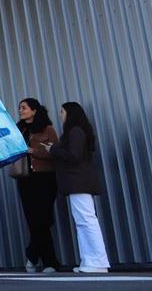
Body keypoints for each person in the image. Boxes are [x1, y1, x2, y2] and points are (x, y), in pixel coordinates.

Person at [48, 102, 110, 274]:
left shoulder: (75, 131)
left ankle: (97, 261)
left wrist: (53, 150)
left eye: (62, 111)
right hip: (77, 182)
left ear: (70, 113)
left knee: (86, 221)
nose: (60, 115)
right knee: (84, 222)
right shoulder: (78, 131)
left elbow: (73, 155)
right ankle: (90, 260)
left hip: (78, 182)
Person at [15, 99, 62, 273]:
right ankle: (49, 262)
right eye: (19, 108)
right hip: (25, 178)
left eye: (24, 108)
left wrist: (33, 151)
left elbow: (56, 151)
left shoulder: (47, 129)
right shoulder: (18, 129)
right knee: (33, 220)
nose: (21, 110)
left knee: (44, 219)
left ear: (34, 110)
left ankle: (33, 255)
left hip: (45, 178)